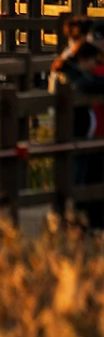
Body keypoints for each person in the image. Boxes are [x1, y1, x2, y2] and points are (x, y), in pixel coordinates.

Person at [51, 19, 104, 226]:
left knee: (82, 173)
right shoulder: (71, 73)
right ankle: (75, 217)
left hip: (81, 132)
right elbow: (85, 85)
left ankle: (80, 217)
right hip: (74, 131)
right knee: (77, 175)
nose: (94, 65)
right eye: (92, 61)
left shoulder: (71, 68)